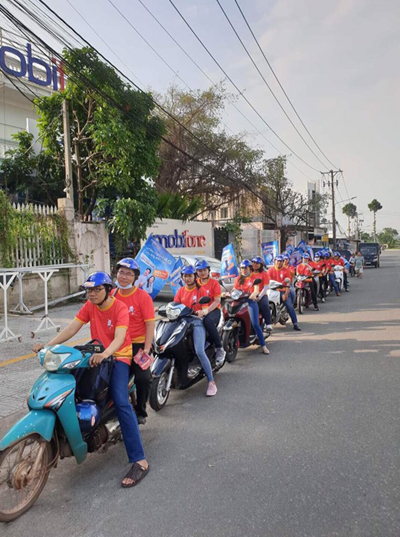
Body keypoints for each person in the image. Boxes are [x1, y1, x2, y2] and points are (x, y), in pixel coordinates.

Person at [32, 272, 149, 488]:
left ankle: (139, 460)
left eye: (96, 289)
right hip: (94, 356)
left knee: (122, 402)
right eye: (89, 289)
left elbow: (120, 338)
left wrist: (106, 354)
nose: (92, 293)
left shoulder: (119, 307)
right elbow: (72, 328)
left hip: (118, 357)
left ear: (107, 290)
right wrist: (48, 345)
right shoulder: (90, 306)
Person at [113, 258, 155, 425]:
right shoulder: (112, 295)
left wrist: (146, 348)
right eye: (121, 272)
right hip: (118, 344)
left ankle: (141, 410)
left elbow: (150, 324)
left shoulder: (143, 297)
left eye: (129, 274)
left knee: (143, 378)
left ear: (135, 278)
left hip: (138, 344)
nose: (124, 277)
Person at [175, 265, 218, 397]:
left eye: (190, 276)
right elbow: (175, 305)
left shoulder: (201, 291)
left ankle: (211, 382)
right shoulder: (180, 291)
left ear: (195, 277)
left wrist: (201, 311)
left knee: (199, 350)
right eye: (185, 276)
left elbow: (204, 309)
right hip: (182, 323)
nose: (187, 279)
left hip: (196, 323)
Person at [234, 260, 270, 354]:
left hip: (250, 301)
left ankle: (263, 345)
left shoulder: (254, 278)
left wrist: (254, 294)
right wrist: (227, 293)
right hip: (239, 301)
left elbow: (256, 290)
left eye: (245, 268)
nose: (244, 270)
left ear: (250, 268)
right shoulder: (238, 279)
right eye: (242, 268)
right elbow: (235, 289)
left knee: (255, 324)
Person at [194, 259, 226, 367]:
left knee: (207, 321)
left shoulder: (214, 283)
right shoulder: (194, 283)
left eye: (204, 270)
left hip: (213, 310)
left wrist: (206, 311)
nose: (202, 272)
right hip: (197, 311)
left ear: (208, 270)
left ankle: (219, 348)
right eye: (199, 270)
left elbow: (217, 301)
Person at [267, 256, 301, 331]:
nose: (279, 262)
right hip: (272, 291)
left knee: (289, 306)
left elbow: (288, 284)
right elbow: (267, 282)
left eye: (281, 261)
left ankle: (295, 323)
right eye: (278, 261)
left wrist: (285, 294)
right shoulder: (270, 270)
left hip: (282, 291)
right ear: (275, 261)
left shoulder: (286, 271)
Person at [251, 256, 273, 333]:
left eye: (257, 263)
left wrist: (259, 296)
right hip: (249, 295)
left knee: (265, 306)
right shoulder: (249, 273)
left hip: (261, 295)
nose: (255, 264)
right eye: (253, 262)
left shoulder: (264, 274)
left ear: (261, 265)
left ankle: (268, 324)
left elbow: (266, 287)